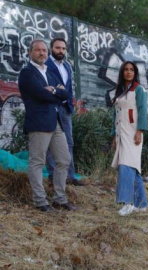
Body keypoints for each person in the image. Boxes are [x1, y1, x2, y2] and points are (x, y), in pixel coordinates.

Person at [18, 39, 76, 212]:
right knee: (37, 162)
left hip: (55, 122)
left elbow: (65, 93)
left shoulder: (49, 72)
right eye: (38, 50)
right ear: (30, 53)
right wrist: (54, 93)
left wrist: (55, 91)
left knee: (64, 160)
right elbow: (41, 95)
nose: (42, 53)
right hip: (38, 123)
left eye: (44, 50)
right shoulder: (27, 73)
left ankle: (60, 199)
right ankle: (40, 201)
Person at [111, 61, 148, 216]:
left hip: (133, 132)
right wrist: (114, 134)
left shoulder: (138, 89)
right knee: (132, 167)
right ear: (122, 72)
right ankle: (141, 204)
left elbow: (142, 110)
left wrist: (140, 131)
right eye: (125, 70)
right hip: (121, 132)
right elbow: (116, 115)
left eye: (131, 70)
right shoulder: (120, 90)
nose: (128, 72)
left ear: (135, 72)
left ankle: (128, 202)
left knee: (126, 165)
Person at [45, 37, 85, 186]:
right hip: (50, 108)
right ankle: (53, 176)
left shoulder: (67, 66)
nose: (60, 51)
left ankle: (70, 177)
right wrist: (56, 91)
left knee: (69, 142)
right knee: (50, 143)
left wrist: (70, 103)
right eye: (57, 48)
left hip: (65, 109)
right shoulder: (45, 65)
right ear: (51, 49)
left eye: (63, 48)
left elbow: (68, 89)